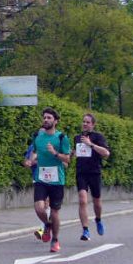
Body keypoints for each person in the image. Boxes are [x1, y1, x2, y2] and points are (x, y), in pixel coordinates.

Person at [23, 107, 70, 253]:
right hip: (41, 178)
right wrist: (31, 160)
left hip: (57, 180)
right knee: (39, 208)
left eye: (49, 118)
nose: (46, 120)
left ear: (55, 121)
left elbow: (67, 159)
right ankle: (47, 225)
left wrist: (55, 153)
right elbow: (35, 151)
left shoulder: (62, 138)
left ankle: (55, 240)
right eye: (44, 117)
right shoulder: (38, 136)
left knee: (55, 212)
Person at [72, 113, 111, 241]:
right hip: (81, 172)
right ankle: (85, 230)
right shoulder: (77, 138)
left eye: (87, 122)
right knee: (82, 200)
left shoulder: (98, 137)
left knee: (97, 202)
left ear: (93, 124)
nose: (84, 124)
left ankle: (98, 219)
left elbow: (106, 153)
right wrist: (68, 156)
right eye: (83, 121)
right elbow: (74, 152)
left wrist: (91, 144)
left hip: (94, 172)